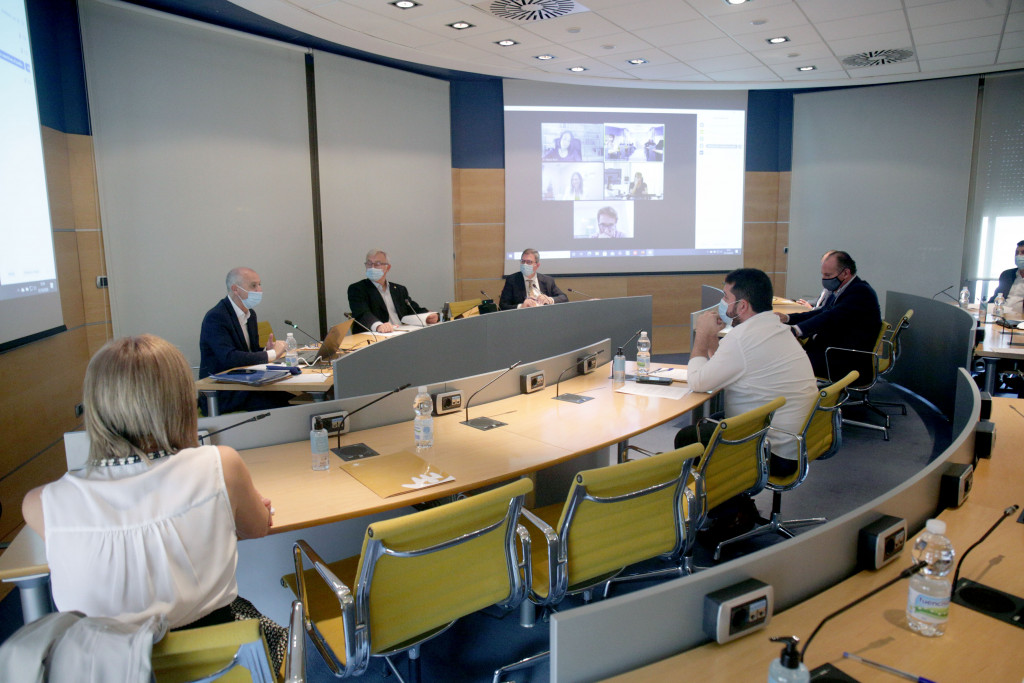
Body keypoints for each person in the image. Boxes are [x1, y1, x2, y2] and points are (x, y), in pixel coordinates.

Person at [21, 335, 287, 667]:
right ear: (181, 401)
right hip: (218, 665)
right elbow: (257, 528)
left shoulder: (40, 504)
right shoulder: (220, 465)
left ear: (96, 406)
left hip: (108, 671)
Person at [677, 268, 818, 480]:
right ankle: (731, 495)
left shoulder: (741, 338)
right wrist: (713, 337)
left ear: (742, 306)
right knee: (710, 423)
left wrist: (702, 335)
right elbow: (724, 366)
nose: (722, 303)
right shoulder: (777, 328)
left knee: (688, 438)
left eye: (726, 298)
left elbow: (698, 382)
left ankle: (726, 498)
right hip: (794, 443)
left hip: (770, 451)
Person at [199, 266, 291, 413]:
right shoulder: (216, 317)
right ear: (235, 289)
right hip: (222, 392)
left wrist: (265, 350)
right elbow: (229, 357)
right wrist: (272, 354)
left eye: (260, 284)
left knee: (290, 397)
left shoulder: (250, 315)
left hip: (246, 384)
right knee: (282, 405)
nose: (259, 290)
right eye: (253, 286)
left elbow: (248, 353)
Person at [777, 250, 882, 378]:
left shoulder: (860, 292)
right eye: (823, 275)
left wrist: (796, 330)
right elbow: (819, 313)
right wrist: (787, 318)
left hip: (844, 361)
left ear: (845, 273)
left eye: (828, 275)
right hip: (829, 352)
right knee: (784, 358)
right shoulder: (840, 290)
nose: (824, 279)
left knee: (783, 364)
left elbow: (829, 317)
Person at [348, 249, 438, 333]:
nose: (372, 267)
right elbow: (362, 314)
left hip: (401, 332)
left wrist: (427, 316)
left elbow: (413, 309)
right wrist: (378, 326)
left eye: (377, 263)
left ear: (388, 268)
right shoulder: (357, 288)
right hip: (376, 335)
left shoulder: (399, 289)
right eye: (369, 263)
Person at [499, 248, 568, 310]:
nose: (525, 264)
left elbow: (564, 298)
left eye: (529, 262)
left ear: (537, 265)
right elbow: (503, 305)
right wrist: (521, 306)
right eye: (523, 261)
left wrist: (549, 300)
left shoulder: (547, 281)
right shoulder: (512, 280)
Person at [989, 239, 1024, 306]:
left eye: (1023, 252)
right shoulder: (1007, 275)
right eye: (1017, 253)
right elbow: (996, 297)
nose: (1019, 256)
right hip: (1001, 310)